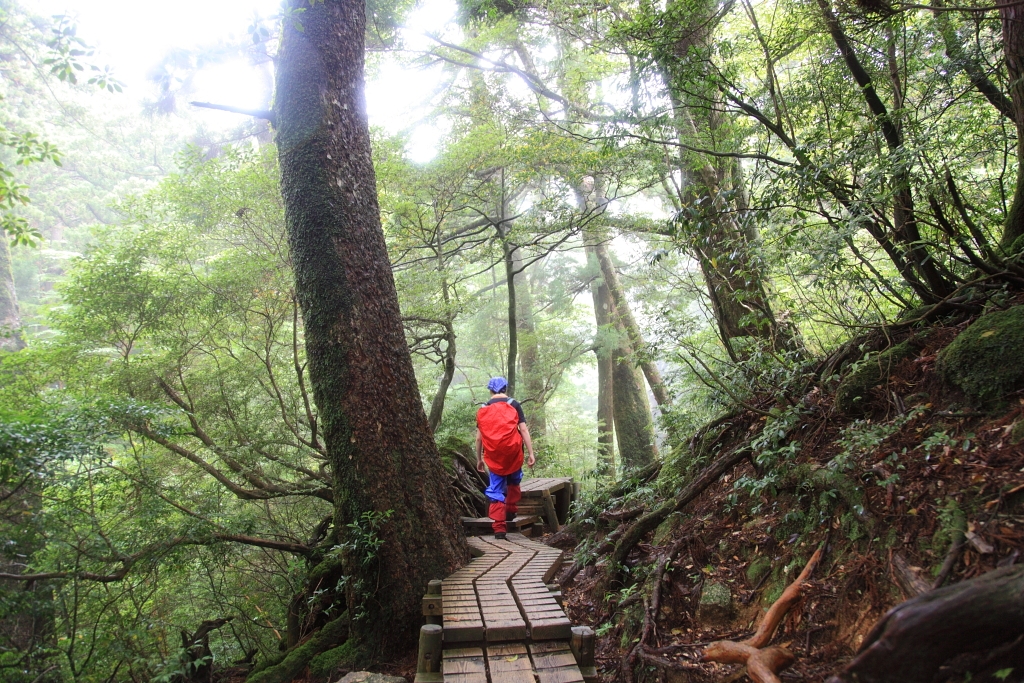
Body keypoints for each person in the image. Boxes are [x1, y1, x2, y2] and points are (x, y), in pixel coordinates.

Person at [475, 376, 536, 539]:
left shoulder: (484, 408)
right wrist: (531, 453)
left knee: (496, 487)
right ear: (505, 388)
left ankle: (499, 528)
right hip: (513, 452)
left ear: (490, 390)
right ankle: (510, 510)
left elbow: (479, 438)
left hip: (493, 455)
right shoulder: (514, 404)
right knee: (514, 479)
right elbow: (523, 430)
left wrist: (479, 459)